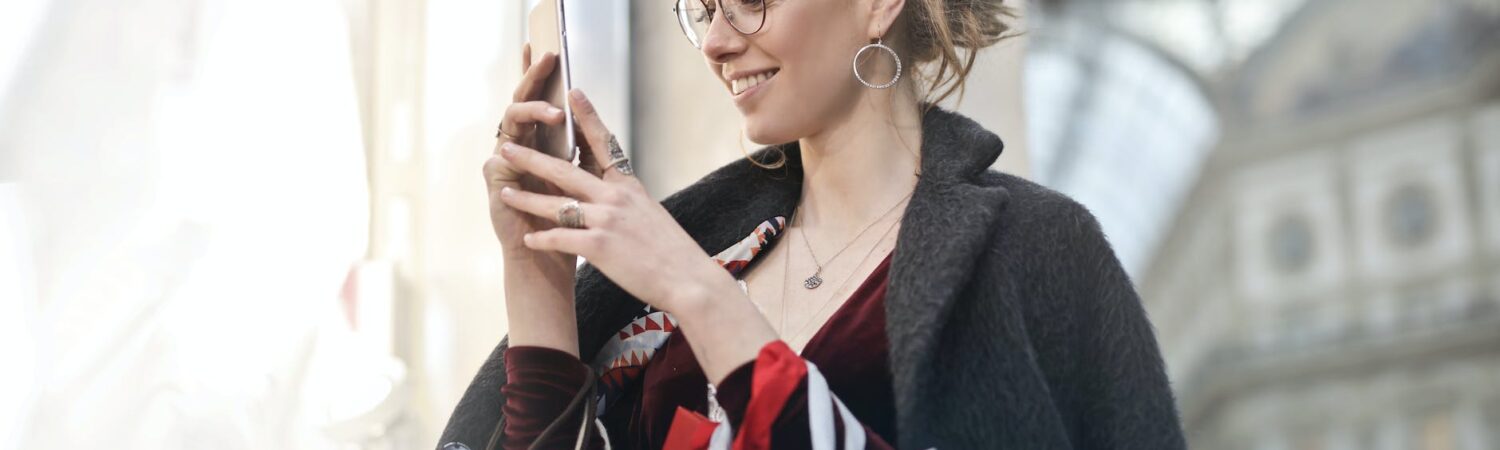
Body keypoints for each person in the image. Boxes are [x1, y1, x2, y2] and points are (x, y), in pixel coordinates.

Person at [440, 0, 1186, 448]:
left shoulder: (1039, 251)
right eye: (704, 7)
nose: (717, 41)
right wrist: (535, 272)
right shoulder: (700, 268)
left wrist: (699, 294)